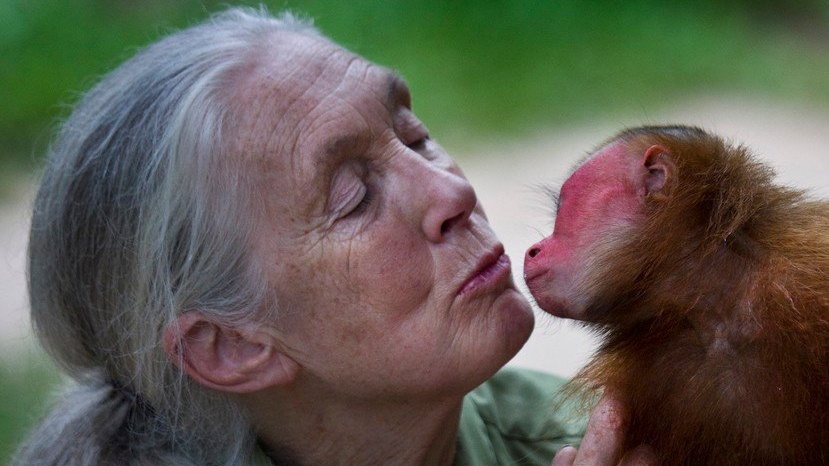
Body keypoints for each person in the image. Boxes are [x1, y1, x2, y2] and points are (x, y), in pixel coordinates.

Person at [13, 7, 645, 466]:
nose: (451, 192)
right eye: (354, 198)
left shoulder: (618, 439)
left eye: (415, 135)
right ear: (228, 346)